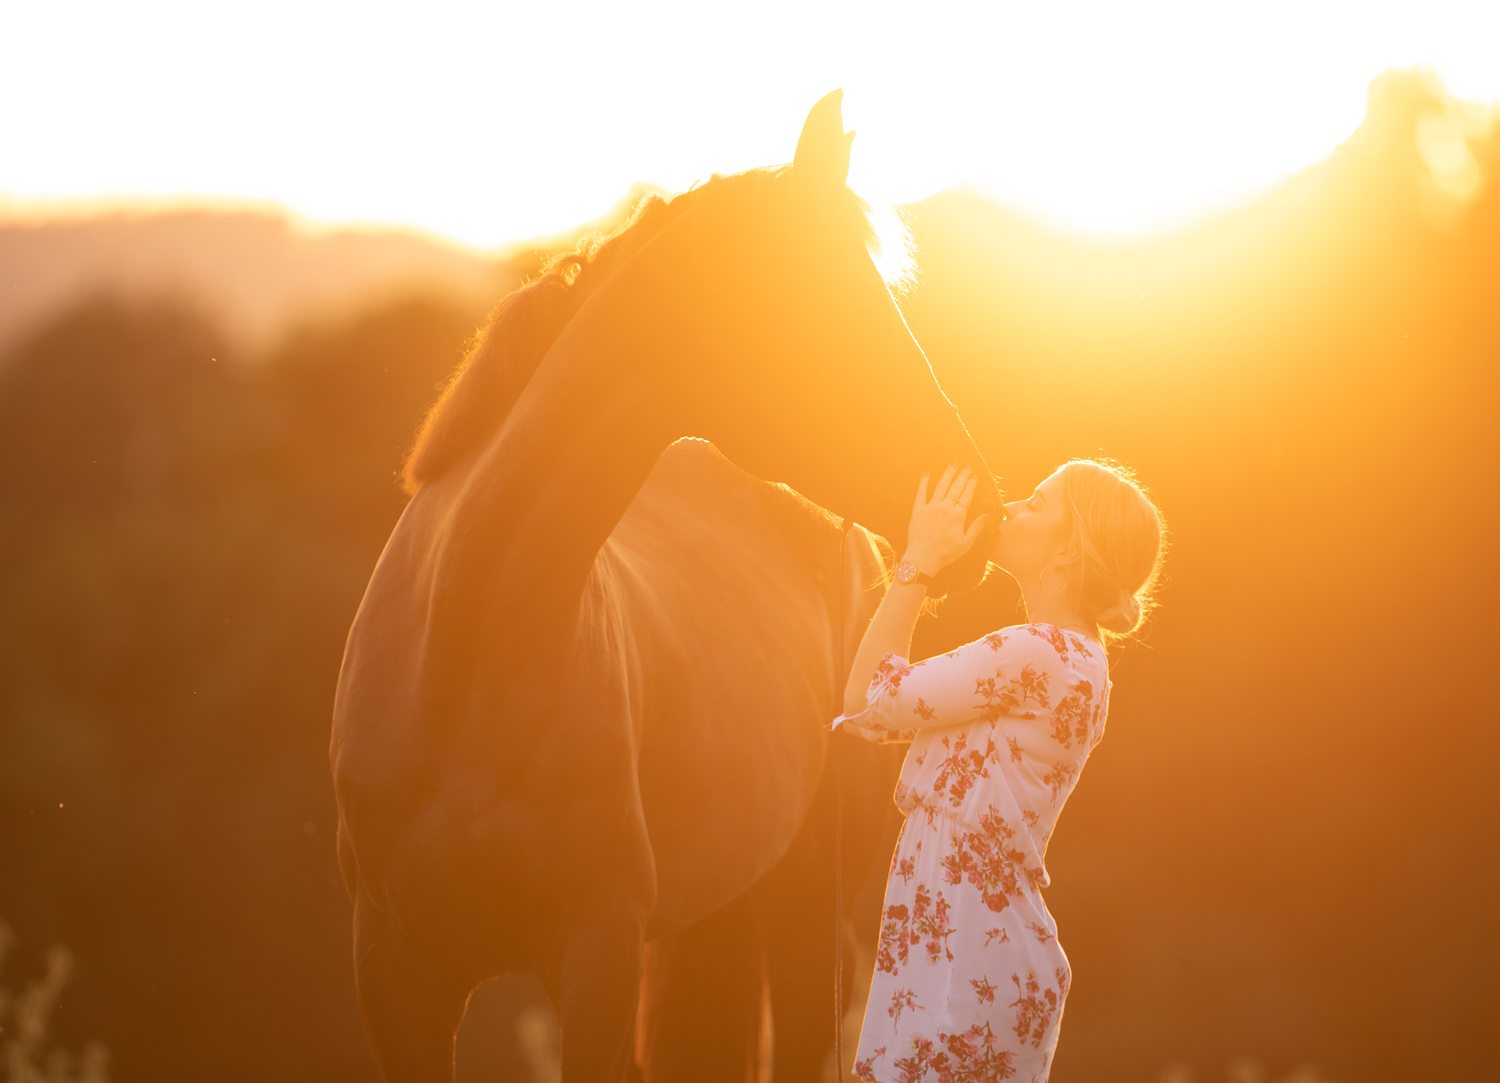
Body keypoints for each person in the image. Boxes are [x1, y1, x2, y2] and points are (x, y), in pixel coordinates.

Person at [836, 460, 1165, 1083]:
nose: (1012, 508)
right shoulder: (1071, 658)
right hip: (971, 950)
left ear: (1068, 549)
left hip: (964, 958)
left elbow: (866, 701)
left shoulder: (1036, 652)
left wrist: (920, 561)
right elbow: (877, 714)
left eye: (1038, 503)